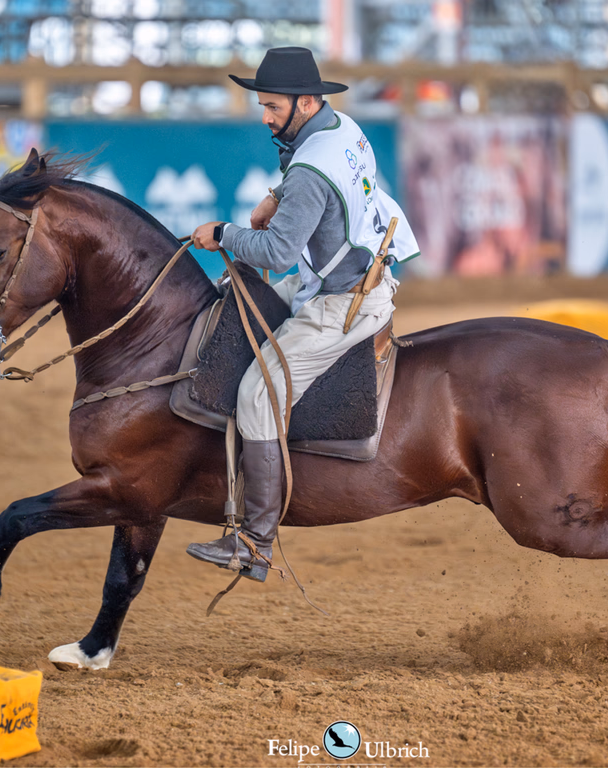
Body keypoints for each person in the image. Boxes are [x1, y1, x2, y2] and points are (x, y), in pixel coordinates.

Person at [186, 46, 419, 582]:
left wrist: (224, 234)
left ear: (306, 102)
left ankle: (254, 543)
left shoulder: (312, 166)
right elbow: (313, 194)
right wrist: (276, 195)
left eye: (272, 107)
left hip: (341, 301)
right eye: (263, 105)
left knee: (255, 393)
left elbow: (275, 253)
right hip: (353, 274)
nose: (265, 117)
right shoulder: (341, 128)